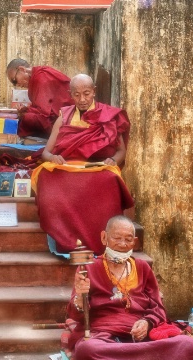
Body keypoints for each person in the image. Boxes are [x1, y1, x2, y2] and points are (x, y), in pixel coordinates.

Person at [67, 215, 193, 360]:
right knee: (86, 350)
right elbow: (75, 313)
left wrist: (147, 323)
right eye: (117, 238)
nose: (123, 244)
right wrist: (81, 297)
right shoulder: (89, 268)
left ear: (135, 241)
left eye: (128, 239)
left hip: (140, 336)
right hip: (102, 334)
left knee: (189, 345)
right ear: (104, 237)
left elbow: (158, 307)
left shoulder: (142, 268)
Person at [31, 74, 135, 256]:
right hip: (69, 168)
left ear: (94, 92)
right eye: (77, 95)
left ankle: (103, 240)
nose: (82, 99)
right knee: (46, 177)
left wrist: (113, 160)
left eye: (86, 93)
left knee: (110, 178)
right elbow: (46, 152)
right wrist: (53, 158)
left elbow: (121, 151)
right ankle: (64, 239)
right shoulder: (65, 115)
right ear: (70, 95)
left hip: (98, 168)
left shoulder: (108, 115)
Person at [6, 58, 74, 138]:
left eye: (14, 80)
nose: (17, 85)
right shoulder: (37, 76)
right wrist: (26, 109)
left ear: (22, 69)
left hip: (64, 121)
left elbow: (45, 116)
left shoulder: (41, 78)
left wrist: (24, 114)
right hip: (58, 117)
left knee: (22, 121)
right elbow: (43, 107)